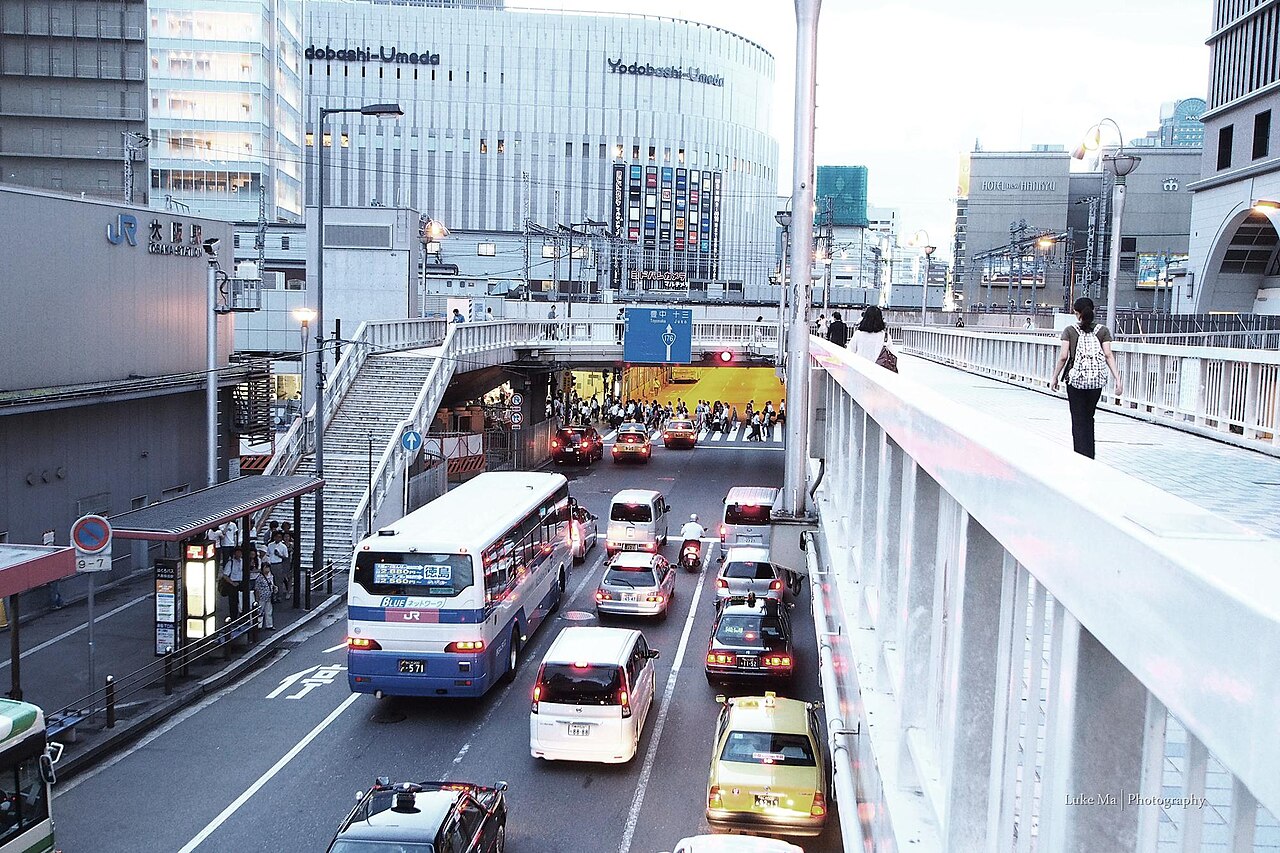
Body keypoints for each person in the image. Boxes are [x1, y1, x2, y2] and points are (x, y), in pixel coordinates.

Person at [1050, 297, 1123, 459]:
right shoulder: (1103, 331)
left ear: (1077, 313)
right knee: (1089, 417)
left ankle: (1080, 456)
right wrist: (1118, 379)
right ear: (1093, 311)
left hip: (1075, 381)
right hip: (1095, 382)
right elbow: (1108, 355)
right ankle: (1090, 455)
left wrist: (1055, 377)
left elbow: (1063, 357)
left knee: (1078, 419)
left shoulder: (1070, 330)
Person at [221, 547, 246, 621]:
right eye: (237, 552)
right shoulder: (230, 562)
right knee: (233, 603)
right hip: (233, 584)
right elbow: (225, 575)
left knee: (243, 601)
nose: (239, 554)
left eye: (240, 552)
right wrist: (232, 583)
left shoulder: (244, 561)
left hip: (242, 583)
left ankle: (242, 617)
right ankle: (234, 618)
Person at [267, 532, 291, 603]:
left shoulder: (283, 546)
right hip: (271, 563)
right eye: (277, 537)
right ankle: (273, 595)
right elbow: (268, 554)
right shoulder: (270, 545)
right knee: (271, 581)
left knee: (279, 581)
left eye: (280, 537)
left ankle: (279, 596)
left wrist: (279, 555)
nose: (278, 538)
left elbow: (286, 557)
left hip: (278, 564)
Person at [253, 561, 276, 630]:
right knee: (260, 611)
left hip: (269, 597)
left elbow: (272, 584)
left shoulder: (271, 576)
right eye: (266, 568)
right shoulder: (259, 578)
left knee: (269, 611)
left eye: (268, 568)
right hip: (261, 597)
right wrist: (257, 598)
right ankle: (259, 625)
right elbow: (256, 588)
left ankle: (269, 625)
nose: (267, 569)